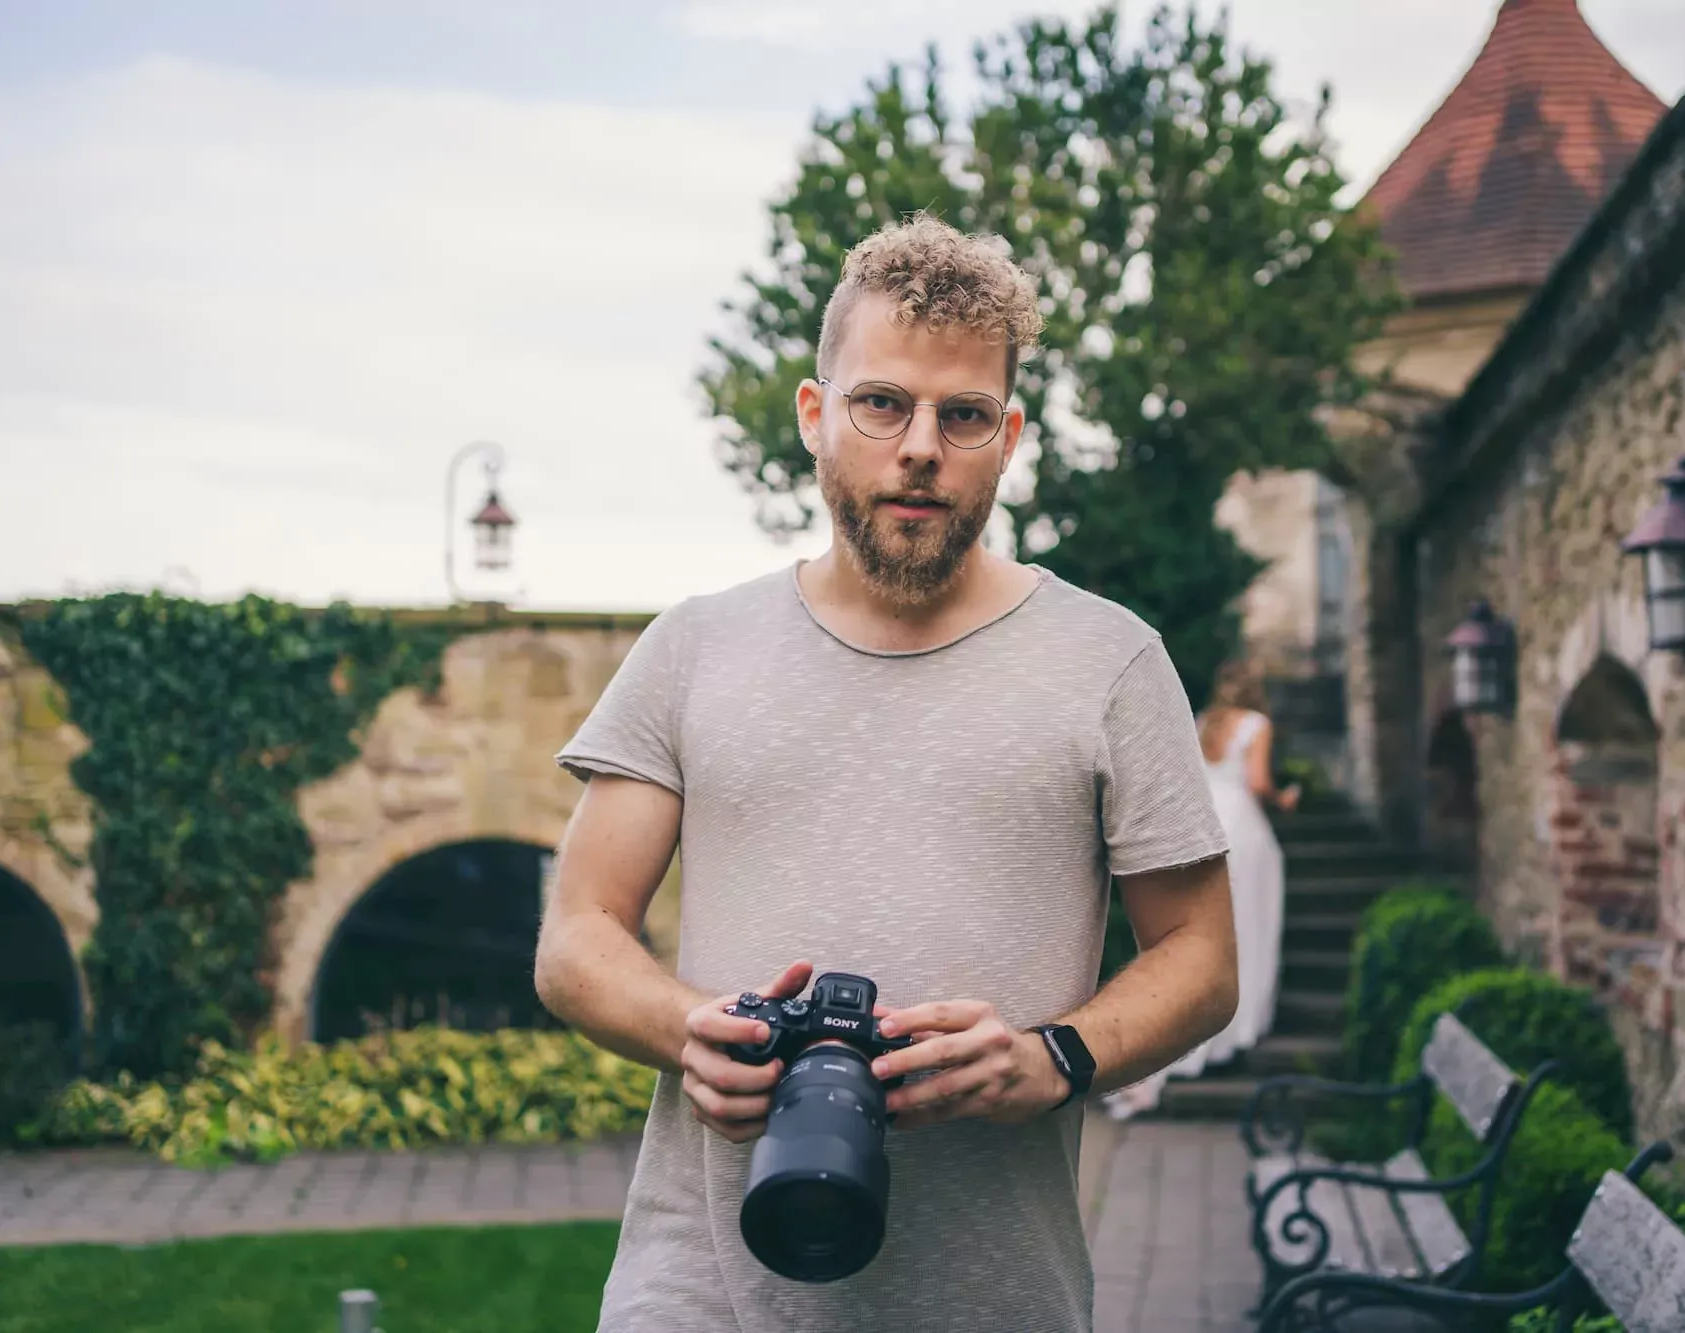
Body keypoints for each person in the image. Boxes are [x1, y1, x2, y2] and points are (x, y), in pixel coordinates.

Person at [533, 213, 1238, 1333]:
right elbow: (575, 936)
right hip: (700, 1293)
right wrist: (686, 1030)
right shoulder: (693, 646)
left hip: (993, 1300)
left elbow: (1201, 958)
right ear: (817, 415)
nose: (919, 446)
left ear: (1006, 437)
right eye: (882, 403)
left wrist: (1053, 1056)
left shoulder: (1110, 661)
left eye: (961, 416)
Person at [1101, 661, 1298, 1119]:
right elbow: (1258, 782)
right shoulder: (1257, 724)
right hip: (1243, 829)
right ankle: (1236, 1028)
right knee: (1247, 927)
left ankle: (1195, 1033)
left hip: (1205, 826)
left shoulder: (1203, 722)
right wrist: (1284, 798)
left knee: (1207, 935)